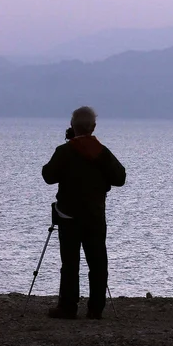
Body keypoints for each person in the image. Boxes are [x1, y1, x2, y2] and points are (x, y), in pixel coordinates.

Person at [42, 106, 126, 319]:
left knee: (70, 263)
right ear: (94, 127)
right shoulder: (102, 152)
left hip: (68, 215)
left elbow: (48, 175)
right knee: (98, 263)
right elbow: (120, 178)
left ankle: (68, 307)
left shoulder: (65, 151)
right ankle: (95, 309)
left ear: (72, 127)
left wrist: (69, 145)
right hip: (95, 216)